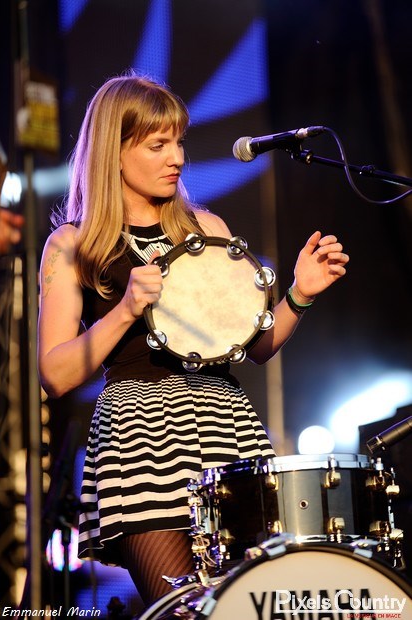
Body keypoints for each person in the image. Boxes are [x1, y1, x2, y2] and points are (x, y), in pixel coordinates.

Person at [37, 72, 349, 610]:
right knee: (182, 610)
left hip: (225, 427)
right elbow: (55, 374)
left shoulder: (209, 230)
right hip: (138, 438)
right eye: (158, 145)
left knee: (247, 606)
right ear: (114, 151)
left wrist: (299, 294)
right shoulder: (73, 244)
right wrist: (126, 309)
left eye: (179, 142)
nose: (177, 157)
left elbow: (256, 346)